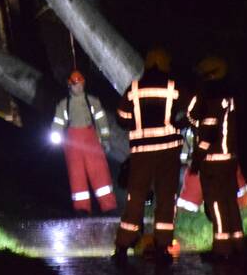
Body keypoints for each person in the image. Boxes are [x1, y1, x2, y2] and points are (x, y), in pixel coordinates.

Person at [112, 47, 186, 264]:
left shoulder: (134, 89)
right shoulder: (174, 87)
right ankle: (163, 247)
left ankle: (122, 247)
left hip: (142, 152)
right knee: (165, 198)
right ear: (165, 66)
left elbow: (122, 118)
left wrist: (137, 123)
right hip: (168, 151)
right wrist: (181, 123)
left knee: (135, 198)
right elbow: (194, 108)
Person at [187, 55, 244, 260]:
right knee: (230, 202)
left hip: (213, 162)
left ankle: (222, 250)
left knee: (217, 205)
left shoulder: (210, 100)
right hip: (229, 159)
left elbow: (207, 133)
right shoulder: (228, 98)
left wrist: (196, 160)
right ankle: (237, 244)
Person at [51, 70, 116, 215]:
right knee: (76, 175)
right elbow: (58, 123)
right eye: (75, 85)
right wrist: (55, 137)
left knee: (100, 173)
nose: (78, 87)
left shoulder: (92, 101)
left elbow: (101, 121)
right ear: (70, 86)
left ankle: (108, 206)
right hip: (73, 144)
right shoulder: (63, 105)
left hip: (91, 140)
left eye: (80, 84)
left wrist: (105, 139)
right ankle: (81, 208)